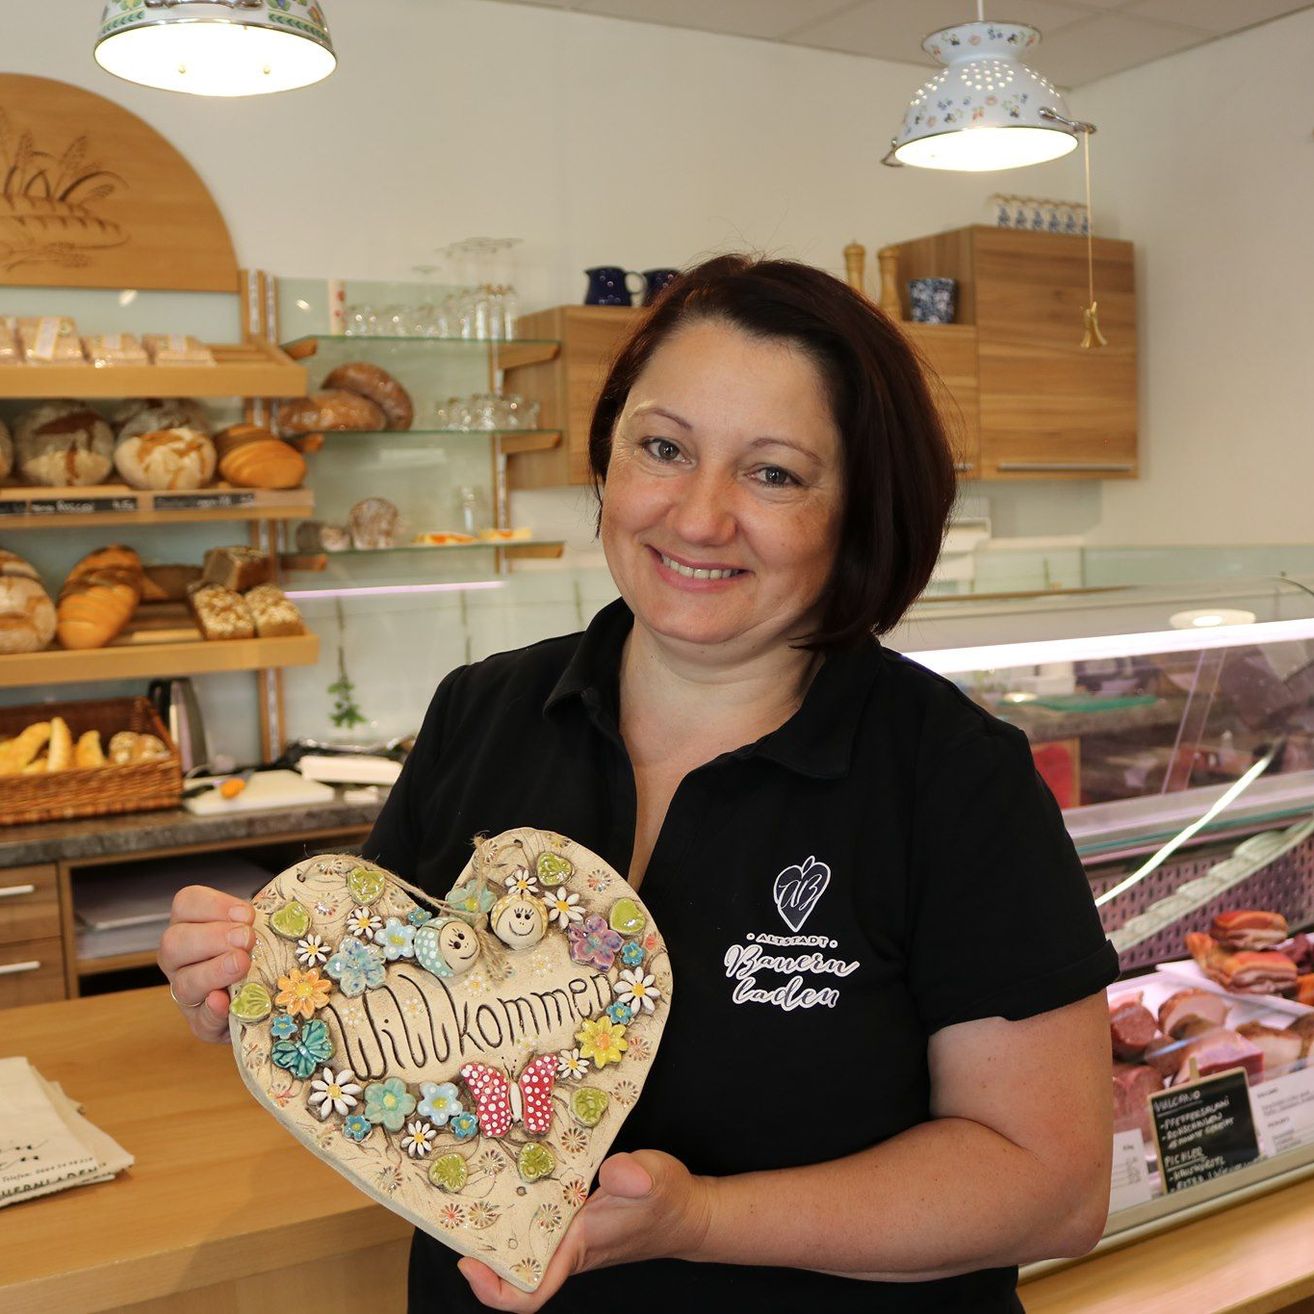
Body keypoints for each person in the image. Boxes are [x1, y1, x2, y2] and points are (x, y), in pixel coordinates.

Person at [161, 254, 1118, 1313]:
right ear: (607, 460)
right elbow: (386, 1020)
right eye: (663, 449)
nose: (698, 518)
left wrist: (700, 1219)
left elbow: (1053, 1187)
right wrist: (255, 979)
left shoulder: (954, 780)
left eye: (774, 474)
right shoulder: (483, 710)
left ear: (859, 511)